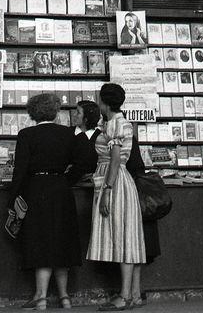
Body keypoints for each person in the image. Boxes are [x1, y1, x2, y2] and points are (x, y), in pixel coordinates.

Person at [9, 93, 88, 310]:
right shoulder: (69, 134)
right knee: (62, 241)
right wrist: (65, 179)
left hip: (36, 190)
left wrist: (12, 198)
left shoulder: (26, 134)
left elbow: (20, 171)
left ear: (33, 112)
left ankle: (41, 297)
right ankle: (65, 297)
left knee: (40, 242)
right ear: (55, 111)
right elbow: (84, 162)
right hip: (61, 190)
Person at [87, 83, 145, 311]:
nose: (98, 103)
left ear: (105, 102)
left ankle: (124, 296)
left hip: (115, 182)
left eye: (100, 100)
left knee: (122, 237)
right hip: (119, 180)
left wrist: (107, 191)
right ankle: (134, 294)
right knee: (128, 236)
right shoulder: (112, 123)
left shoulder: (115, 124)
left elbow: (115, 160)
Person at [125, 138, 161, 308]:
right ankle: (135, 292)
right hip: (139, 200)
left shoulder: (118, 138)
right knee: (138, 247)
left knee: (131, 247)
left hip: (130, 197)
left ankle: (132, 293)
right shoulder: (129, 139)